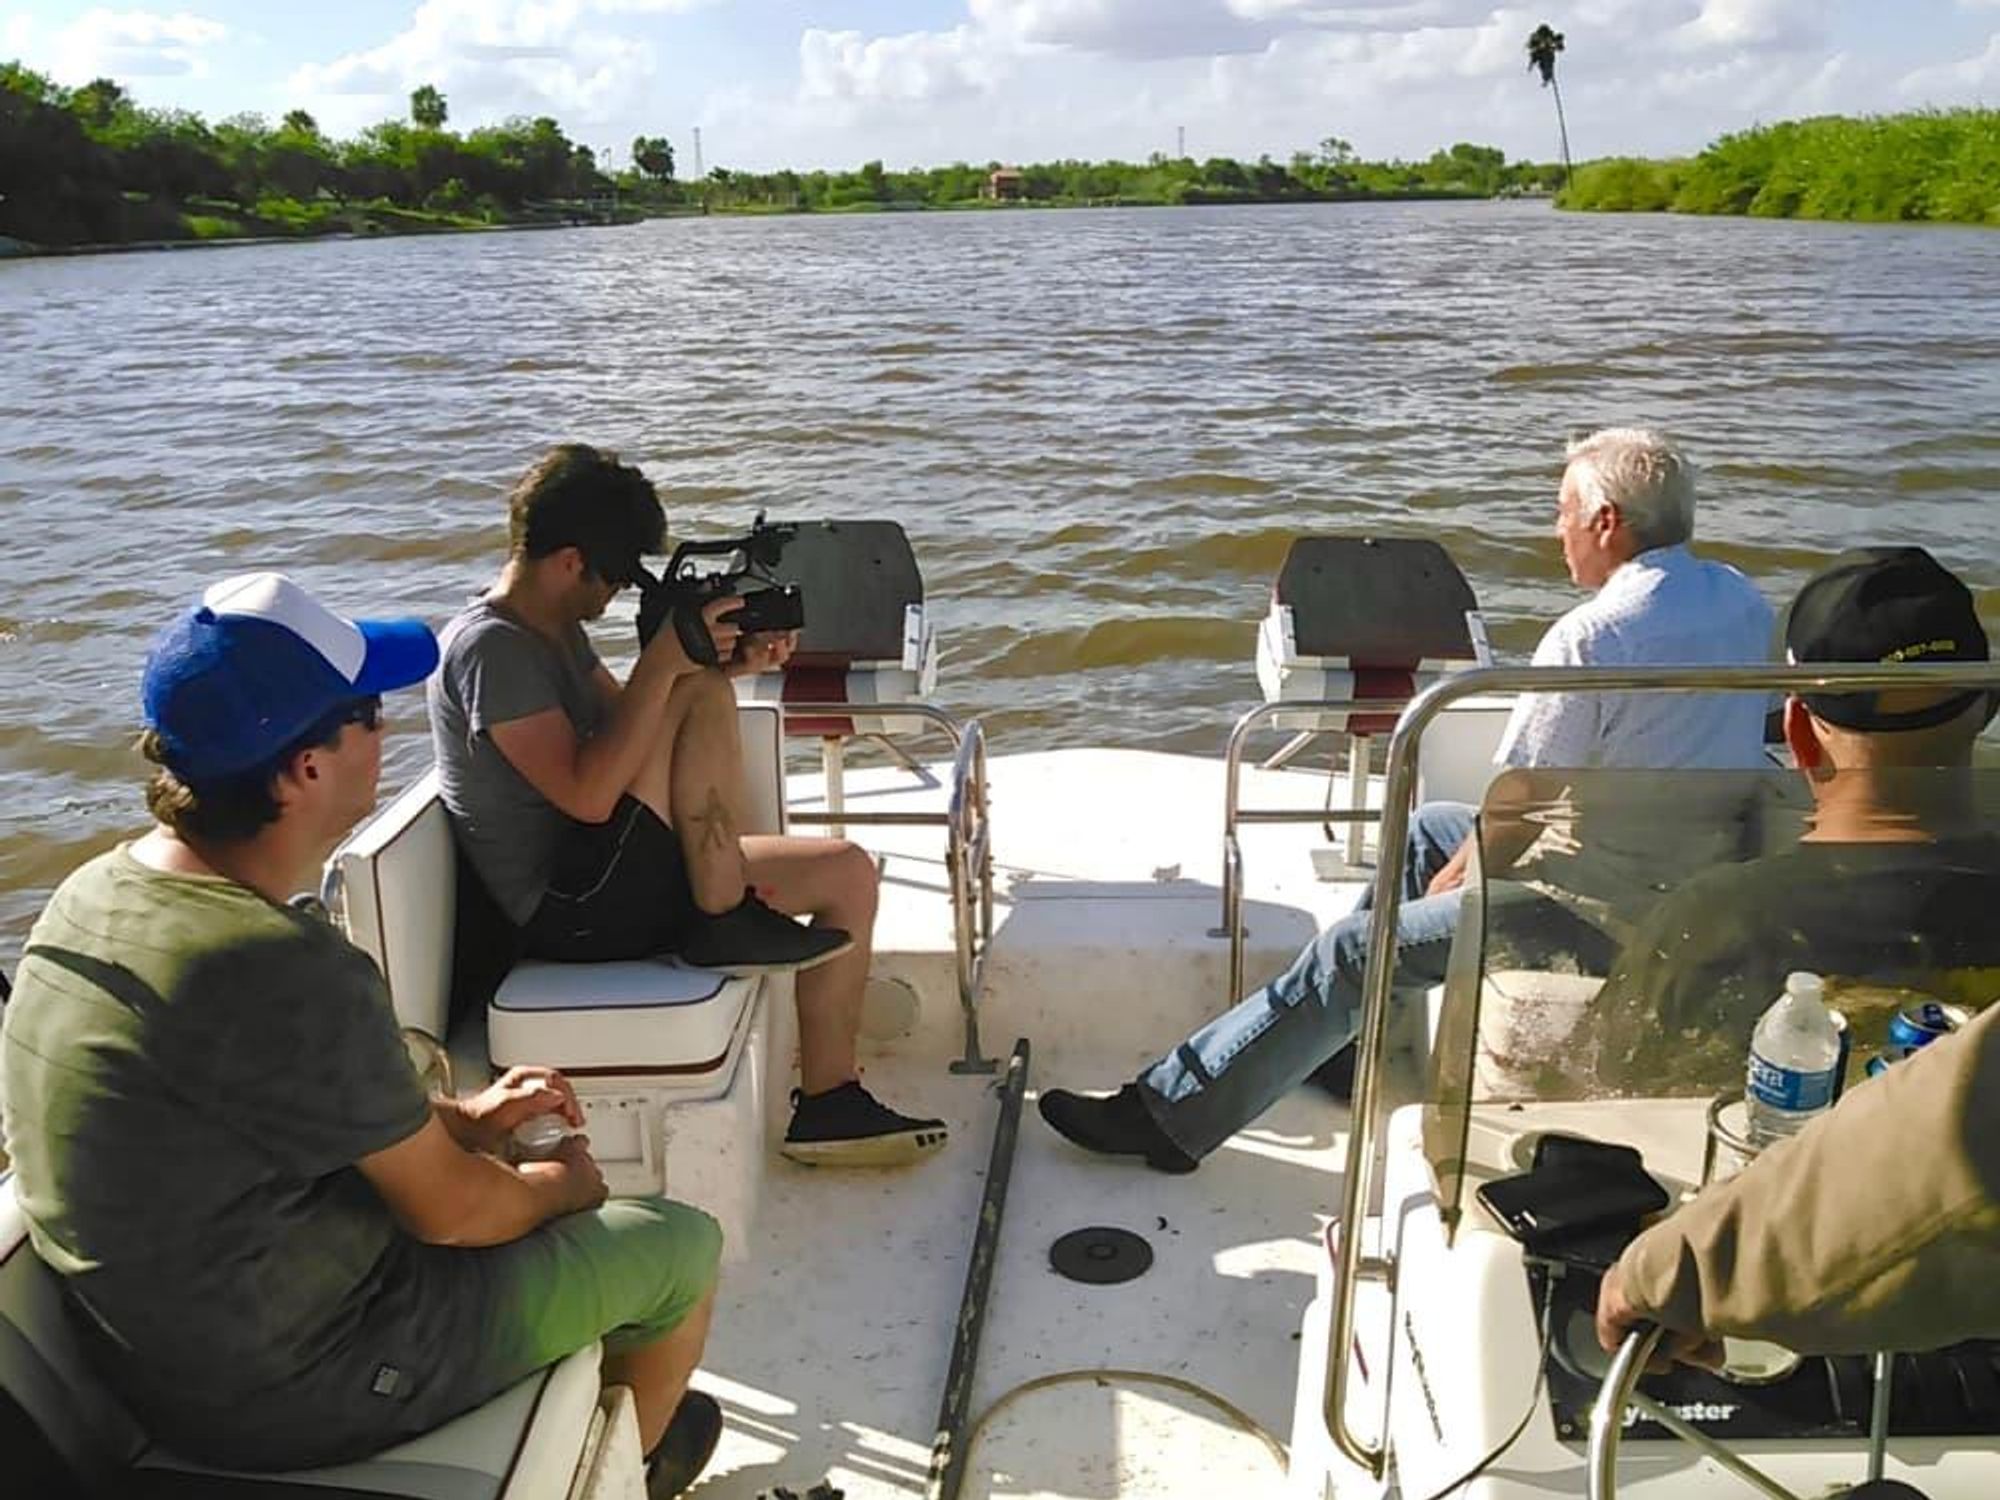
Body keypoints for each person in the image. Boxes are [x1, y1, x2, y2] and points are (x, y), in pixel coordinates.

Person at [0, 573, 726, 1497]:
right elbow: (456, 1214)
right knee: (676, 1247)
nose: (390, 734)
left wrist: (459, 1117)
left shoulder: (91, 896)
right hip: (312, 1386)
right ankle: (637, 1472)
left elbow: (256, 1116)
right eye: (372, 716)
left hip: (167, 1366)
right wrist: (557, 1187)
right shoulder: (279, 966)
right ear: (305, 768)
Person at [1040, 427, 1775, 1172]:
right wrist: (1465, 849)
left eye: (1561, 511)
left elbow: (1521, 803)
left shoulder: (1593, 636)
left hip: (1599, 907)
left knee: (1354, 950)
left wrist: (1468, 868)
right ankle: (1341, 1049)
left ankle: (1167, 1117)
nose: (1556, 531)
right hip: (1685, 870)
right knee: (1425, 827)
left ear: (1606, 521)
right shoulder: (1741, 600)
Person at [430, 444, 945, 1167]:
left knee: (847, 872)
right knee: (692, 686)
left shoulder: (553, 635)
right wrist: (669, 666)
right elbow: (586, 795)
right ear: (571, 561)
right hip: (569, 910)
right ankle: (722, 915)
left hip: (622, 876)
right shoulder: (490, 651)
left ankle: (829, 1101)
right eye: (613, 577)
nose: (612, 598)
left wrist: (723, 669)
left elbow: (636, 727)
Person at [1596, 547, 2000, 1362]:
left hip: (1743, 1340)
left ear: (1797, 733)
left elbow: (1608, 1099)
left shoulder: (1714, 922)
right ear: (1983, 708)